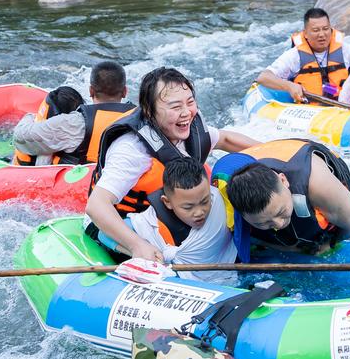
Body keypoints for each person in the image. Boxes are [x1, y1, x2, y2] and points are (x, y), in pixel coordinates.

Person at [84, 66, 258, 261]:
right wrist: (137, 245)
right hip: (125, 223)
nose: (186, 113)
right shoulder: (132, 149)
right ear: (150, 111)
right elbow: (96, 206)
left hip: (175, 210)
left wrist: (274, 153)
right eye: (176, 107)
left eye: (190, 102)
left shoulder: (188, 127)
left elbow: (225, 139)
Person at [221, 138, 350, 254]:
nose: (279, 224)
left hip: (314, 169)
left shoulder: (318, 186)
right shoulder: (227, 202)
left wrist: (331, 242)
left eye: (281, 212)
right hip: (265, 157)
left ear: (284, 181)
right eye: (263, 223)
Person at [97, 158, 237, 281]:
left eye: (205, 201)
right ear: (167, 202)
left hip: (229, 277)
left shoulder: (222, 202)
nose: (199, 212)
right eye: (188, 207)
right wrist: (139, 248)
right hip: (177, 281)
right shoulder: (151, 222)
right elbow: (103, 234)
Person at [12, 62, 135, 165]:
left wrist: (32, 117)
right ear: (125, 91)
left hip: (81, 186)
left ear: (91, 91)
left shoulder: (74, 122)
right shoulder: (142, 118)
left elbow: (21, 137)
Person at [256, 8, 350, 102]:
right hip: (309, 110)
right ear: (305, 33)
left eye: (325, 29)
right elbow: (263, 77)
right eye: (316, 30)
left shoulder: (346, 50)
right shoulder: (295, 55)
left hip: (342, 106)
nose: (322, 34)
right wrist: (289, 86)